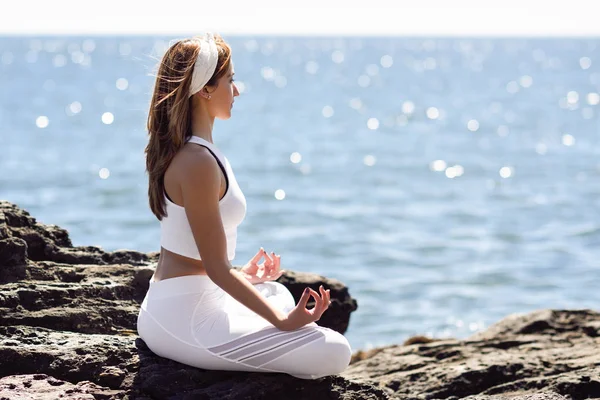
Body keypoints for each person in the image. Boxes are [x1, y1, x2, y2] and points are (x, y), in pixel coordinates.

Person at [136, 32, 352, 379]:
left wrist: (246, 276)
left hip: (184, 300)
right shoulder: (197, 162)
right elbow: (217, 269)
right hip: (183, 320)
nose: (237, 90)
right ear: (205, 88)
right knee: (334, 351)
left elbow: (201, 261)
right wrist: (283, 323)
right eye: (230, 80)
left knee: (274, 290)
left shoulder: (197, 152)